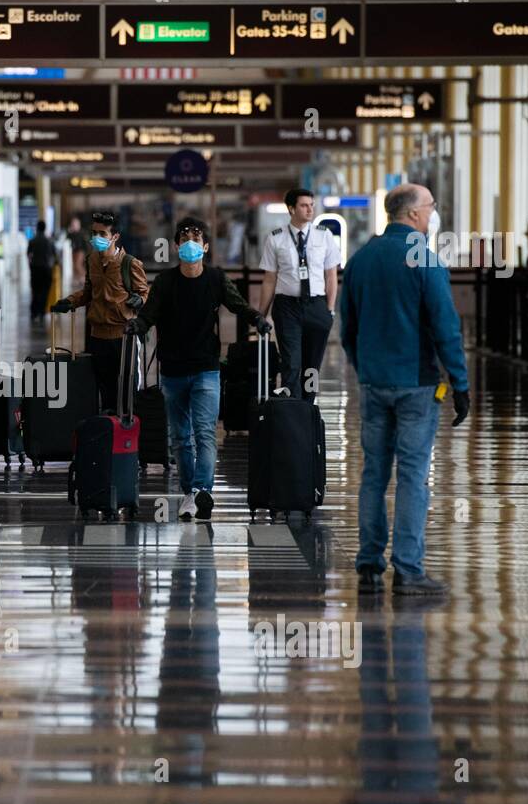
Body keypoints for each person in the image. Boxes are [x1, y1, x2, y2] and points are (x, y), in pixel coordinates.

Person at [340, 183, 470, 595]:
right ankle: (409, 571)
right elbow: (446, 327)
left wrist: (366, 369)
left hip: (374, 384)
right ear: (413, 214)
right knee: (413, 475)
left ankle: (368, 564)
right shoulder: (424, 259)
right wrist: (461, 384)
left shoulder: (361, 260)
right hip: (416, 385)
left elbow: (348, 328)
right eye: (431, 207)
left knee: (374, 473)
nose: (434, 214)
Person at [127, 216, 270, 521]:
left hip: (206, 368)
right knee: (180, 437)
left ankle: (201, 490)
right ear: (177, 245)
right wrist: (137, 325)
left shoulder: (216, 279)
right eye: (184, 238)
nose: (190, 243)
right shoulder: (165, 282)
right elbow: (149, 314)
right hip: (173, 371)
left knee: (204, 432)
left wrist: (257, 318)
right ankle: (189, 490)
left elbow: (237, 305)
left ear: (205, 247)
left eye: (196, 238)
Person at [51, 210, 148, 414]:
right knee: (103, 390)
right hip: (97, 335)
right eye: (94, 233)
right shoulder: (91, 261)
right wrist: (70, 302)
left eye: (102, 234)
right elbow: (88, 292)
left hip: (123, 337)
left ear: (115, 236)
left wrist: (138, 299)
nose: (97, 238)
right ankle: (107, 432)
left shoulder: (129, 263)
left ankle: (127, 434)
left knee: (128, 389)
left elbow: (144, 292)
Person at [259, 188, 341, 402]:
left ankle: (308, 407)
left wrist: (330, 310)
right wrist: (261, 315)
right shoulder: (276, 239)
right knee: (291, 362)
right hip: (287, 307)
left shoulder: (324, 236)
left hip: (316, 306)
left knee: (312, 365)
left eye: (311, 205)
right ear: (291, 209)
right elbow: (269, 279)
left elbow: (331, 276)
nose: (310, 209)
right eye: (304, 205)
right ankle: (292, 410)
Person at [26, 219, 55, 325]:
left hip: (35, 270)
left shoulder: (32, 241)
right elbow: (54, 255)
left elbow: (28, 255)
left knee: (35, 292)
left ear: (37, 228)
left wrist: (30, 266)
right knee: (44, 292)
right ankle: (42, 313)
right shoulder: (49, 241)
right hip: (46, 270)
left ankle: (34, 313)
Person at [66, 215, 87, 289]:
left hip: (80, 251)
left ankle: (85, 278)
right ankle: (78, 279)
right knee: (74, 266)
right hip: (74, 250)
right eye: (73, 224)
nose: (74, 225)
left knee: (78, 265)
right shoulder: (72, 233)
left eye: (75, 224)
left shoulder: (81, 233)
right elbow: (68, 239)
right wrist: (70, 232)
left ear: (78, 224)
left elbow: (84, 243)